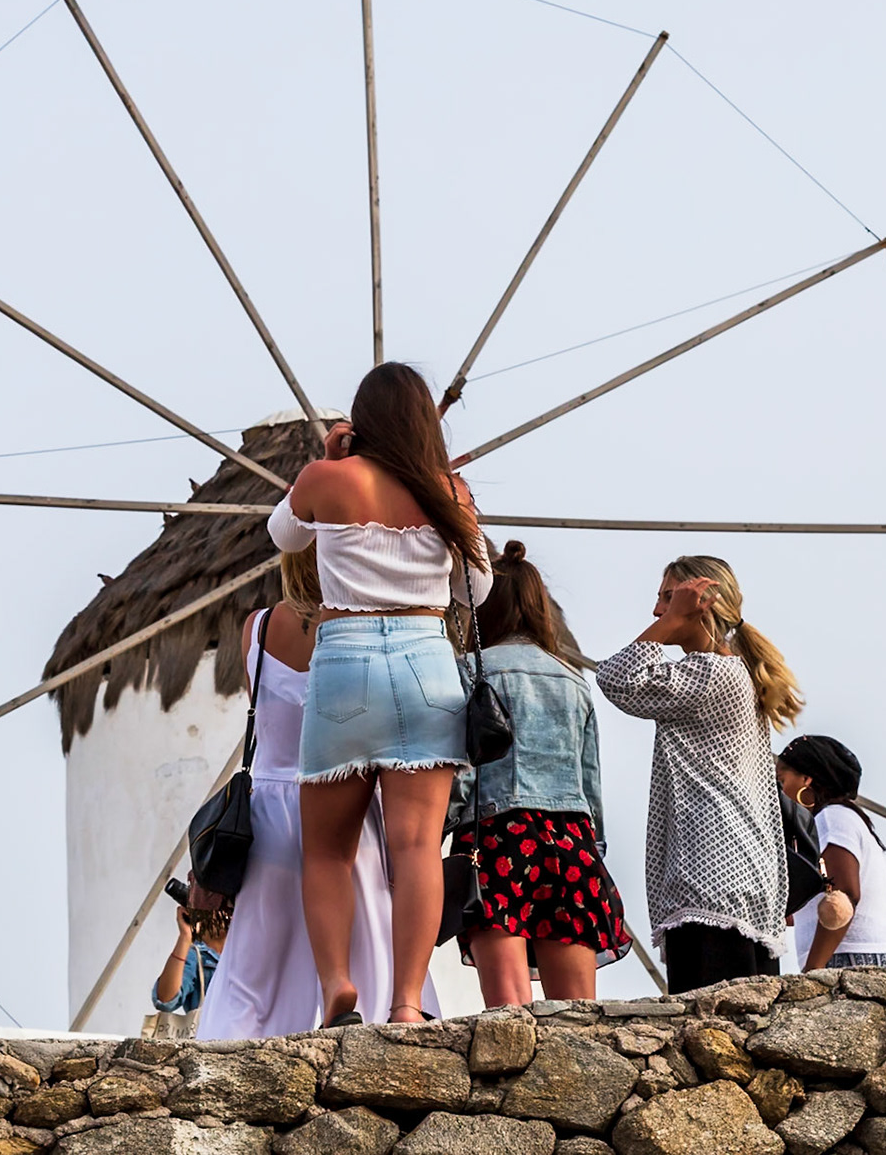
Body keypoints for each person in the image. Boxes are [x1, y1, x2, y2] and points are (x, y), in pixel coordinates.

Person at [267, 362, 491, 1026]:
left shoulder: (326, 480)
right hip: (427, 662)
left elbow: (282, 535)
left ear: (361, 424)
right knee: (418, 849)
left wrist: (330, 457)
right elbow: (476, 594)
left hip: (346, 662)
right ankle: (408, 1001)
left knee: (329, 850)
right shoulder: (449, 492)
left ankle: (338, 984)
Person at [193, 547, 438, 1037]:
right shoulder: (359, 631)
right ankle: (371, 1023)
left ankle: (235, 1048)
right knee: (366, 936)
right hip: (343, 801)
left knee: (257, 960)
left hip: (269, 811)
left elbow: (262, 713)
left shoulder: (257, 628)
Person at [595, 555, 802, 994]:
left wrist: (674, 618)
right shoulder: (731, 672)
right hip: (738, 878)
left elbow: (617, 678)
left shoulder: (711, 673)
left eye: (668, 598)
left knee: (711, 1034)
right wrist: (677, 611)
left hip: (709, 877)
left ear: (701, 603)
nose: (657, 612)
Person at [448, 540, 632, 1006]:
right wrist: (595, 851)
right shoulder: (573, 680)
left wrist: (433, 834)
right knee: (579, 1016)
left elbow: (465, 769)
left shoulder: (469, 670)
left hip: (497, 835)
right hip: (572, 842)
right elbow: (590, 784)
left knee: (508, 1011)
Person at [777, 734, 886, 971]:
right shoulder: (854, 820)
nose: (779, 792)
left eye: (782, 781)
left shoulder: (831, 818)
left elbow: (844, 894)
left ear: (806, 780)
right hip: (872, 956)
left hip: (847, 959)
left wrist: (814, 968)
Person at [151, 903, 226, 1018]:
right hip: (211, 1034)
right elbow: (166, 1000)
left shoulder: (250, 953)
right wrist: (185, 937)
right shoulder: (196, 955)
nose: (225, 914)